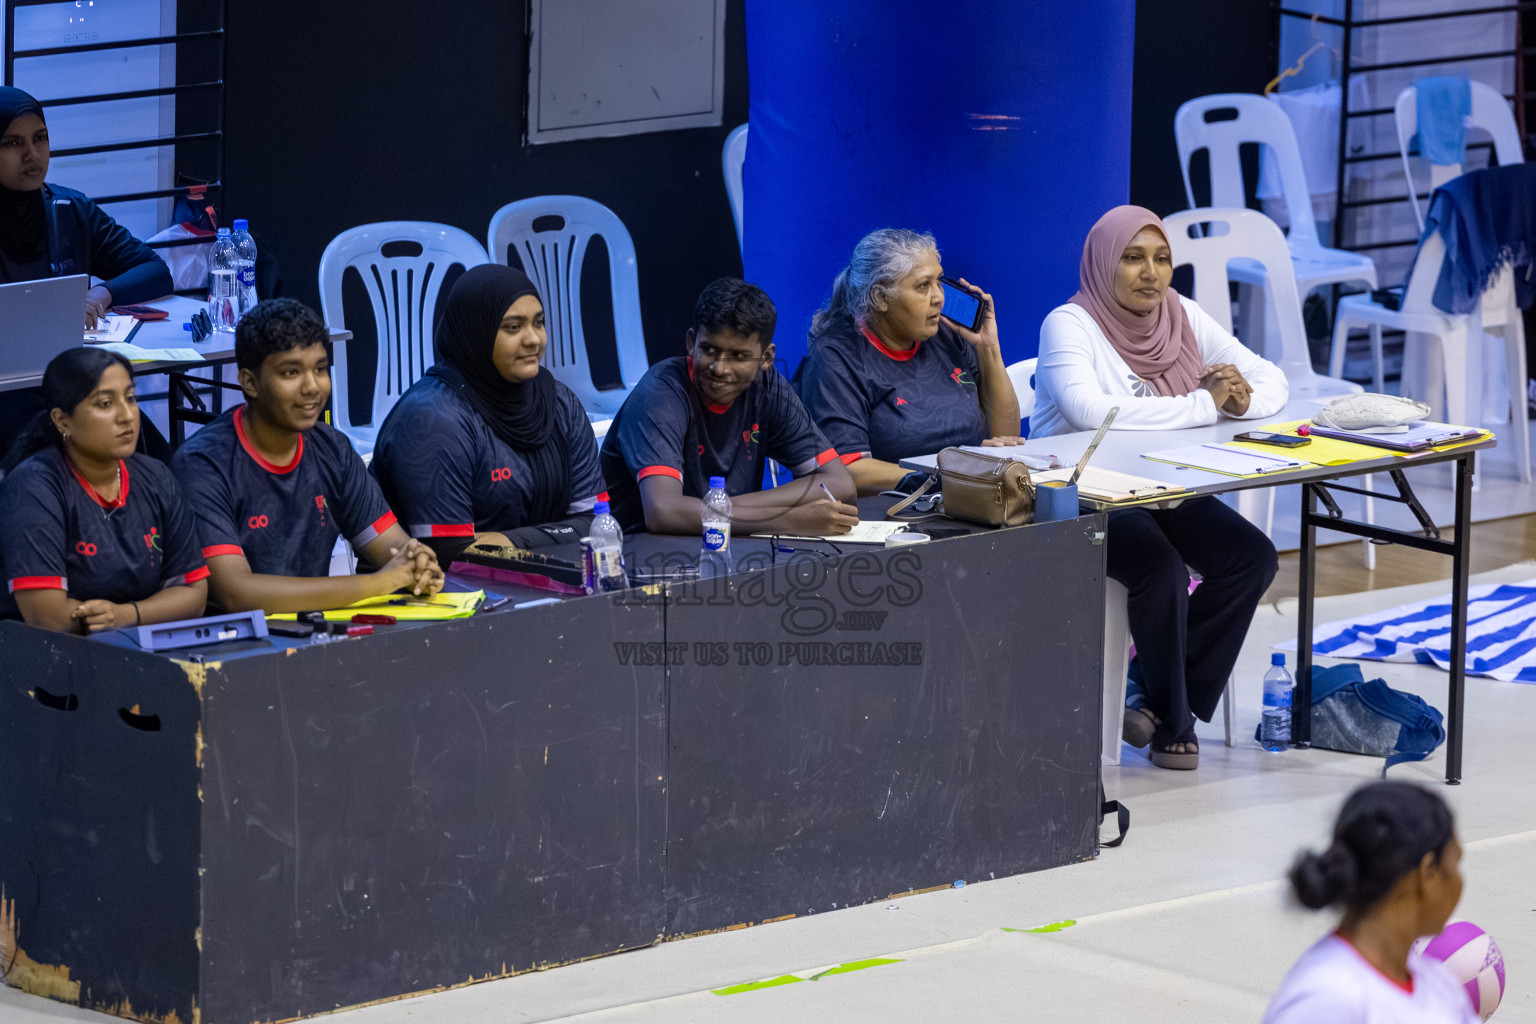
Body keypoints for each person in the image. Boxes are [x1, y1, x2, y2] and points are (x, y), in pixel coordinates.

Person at [1033, 206, 1285, 769]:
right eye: (1133, 258)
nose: (1151, 273)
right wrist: (1203, 404)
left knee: (1252, 558)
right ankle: (1175, 717)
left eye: (1162, 258)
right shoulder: (1068, 324)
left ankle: (1142, 691)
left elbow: (1270, 378)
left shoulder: (1182, 314)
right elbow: (1090, 411)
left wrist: (1243, 399)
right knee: (1160, 567)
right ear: (1103, 263)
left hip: (1161, 485)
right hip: (1079, 494)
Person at [170, 299, 441, 613]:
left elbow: (393, 548)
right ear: (249, 382)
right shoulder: (202, 464)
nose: (312, 387)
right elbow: (236, 593)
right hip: (230, 647)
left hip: (314, 636)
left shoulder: (333, 449)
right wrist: (379, 582)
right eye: (291, 372)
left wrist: (417, 561)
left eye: (321, 369)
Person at [372, 265, 604, 563]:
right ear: (475, 333)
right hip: (438, 597)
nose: (533, 339)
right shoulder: (433, 418)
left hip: (546, 579)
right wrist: (551, 536)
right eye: (512, 327)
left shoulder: (559, 401)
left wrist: (508, 539)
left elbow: (597, 523)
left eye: (539, 322)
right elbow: (449, 555)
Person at [601, 277, 857, 535]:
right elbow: (664, 512)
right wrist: (787, 519)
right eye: (709, 350)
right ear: (691, 342)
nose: (720, 368)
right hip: (638, 555)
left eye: (739, 356)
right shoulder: (661, 392)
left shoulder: (768, 385)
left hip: (723, 545)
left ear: (766, 357)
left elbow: (840, 483)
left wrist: (720, 508)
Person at [1, 86, 177, 455]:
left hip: (72, 383)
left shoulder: (70, 210)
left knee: (154, 459)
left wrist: (102, 293)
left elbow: (155, 270)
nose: (32, 155)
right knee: (65, 447)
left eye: (40, 138)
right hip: (7, 393)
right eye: (12, 143)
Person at [795, 228, 1023, 497]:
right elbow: (850, 469)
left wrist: (988, 348)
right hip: (891, 511)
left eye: (939, 281)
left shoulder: (947, 335)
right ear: (880, 298)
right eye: (923, 286)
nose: (939, 297)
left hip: (968, 497)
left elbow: (1007, 438)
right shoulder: (835, 355)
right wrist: (945, 476)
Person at [0, 348, 207, 632]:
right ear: (62, 421)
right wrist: (144, 613)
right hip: (55, 658)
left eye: (130, 398)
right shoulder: (33, 487)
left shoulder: (157, 476)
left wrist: (125, 615)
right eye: (106, 404)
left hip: (141, 645)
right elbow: (49, 618)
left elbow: (193, 595)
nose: (127, 416)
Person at [1264, 781, 1477, 1023]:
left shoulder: (1438, 982)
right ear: (1427, 872)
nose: (1460, 883)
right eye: (1455, 864)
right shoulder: (1328, 996)